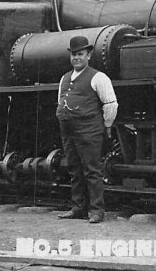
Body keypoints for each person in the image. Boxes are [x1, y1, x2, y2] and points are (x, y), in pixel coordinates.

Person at [55, 36, 118, 224]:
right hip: (69, 132)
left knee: (92, 170)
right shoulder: (64, 78)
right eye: (73, 54)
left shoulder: (98, 77)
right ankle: (77, 208)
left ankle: (97, 211)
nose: (76, 58)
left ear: (88, 55)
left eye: (80, 54)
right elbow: (60, 101)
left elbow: (110, 104)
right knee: (74, 170)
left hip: (89, 131)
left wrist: (107, 126)